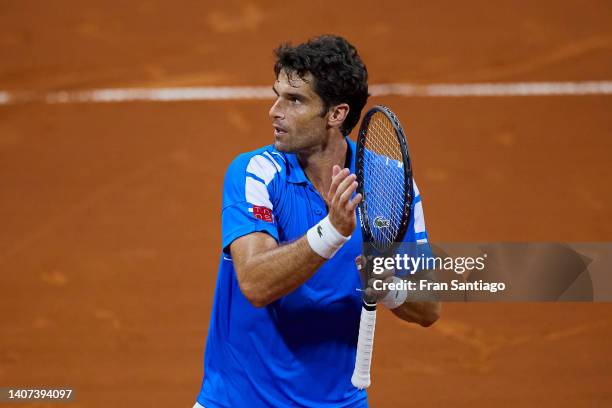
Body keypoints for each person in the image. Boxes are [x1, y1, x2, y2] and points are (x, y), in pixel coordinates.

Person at [194, 34, 440, 408]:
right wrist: (331, 232)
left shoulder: (391, 186)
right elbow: (256, 283)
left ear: (336, 114)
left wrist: (388, 288)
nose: (274, 111)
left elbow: (428, 307)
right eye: (277, 95)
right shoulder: (256, 172)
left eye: (294, 101)